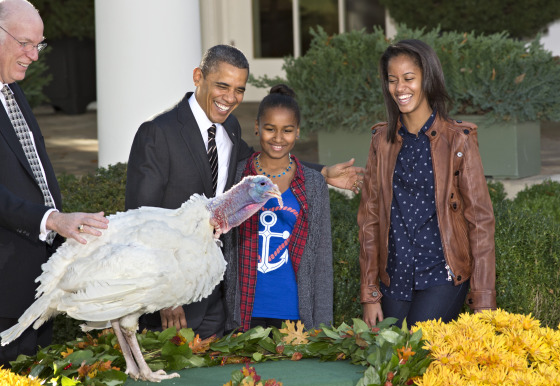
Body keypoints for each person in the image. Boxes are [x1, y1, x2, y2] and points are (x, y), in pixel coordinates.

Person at [126, 45, 355, 339]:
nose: (230, 98)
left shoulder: (229, 128)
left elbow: (263, 161)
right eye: (222, 85)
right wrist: (164, 293)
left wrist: (320, 173)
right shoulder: (158, 132)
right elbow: (141, 221)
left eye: (239, 89)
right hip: (173, 300)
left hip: (216, 296)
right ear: (198, 77)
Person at [357, 39, 496, 328]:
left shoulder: (459, 140)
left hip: (443, 273)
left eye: (409, 78)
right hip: (395, 277)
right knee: (386, 359)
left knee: (414, 349)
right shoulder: (381, 141)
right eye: (392, 80)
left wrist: (483, 299)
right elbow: (369, 220)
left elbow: (480, 221)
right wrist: (370, 294)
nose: (400, 88)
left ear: (427, 79)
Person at [0, 0, 109, 367]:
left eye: (39, 45)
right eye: (24, 43)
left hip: (36, 284)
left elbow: (36, 174)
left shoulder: (14, 91)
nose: (33, 55)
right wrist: (52, 220)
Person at [223, 84, 332, 332]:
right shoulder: (238, 177)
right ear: (257, 128)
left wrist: (324, 328)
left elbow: (322, 260)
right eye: (270, 129)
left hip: (294, 313)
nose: (278, 138)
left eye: (287, 130)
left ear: (298, 132)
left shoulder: (313, 184)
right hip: (245, 311)